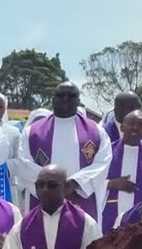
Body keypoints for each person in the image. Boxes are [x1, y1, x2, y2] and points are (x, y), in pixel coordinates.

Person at [14, 82, 110, 216]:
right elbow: (24, 163)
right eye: (60, 95)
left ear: (78, 100)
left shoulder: (97, 132)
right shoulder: (32, 132)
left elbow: (102, 163)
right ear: (53, 99)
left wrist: (75, 183)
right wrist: (51, 187)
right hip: (43, 199)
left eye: (71, 96)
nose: (65, 99)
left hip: (80, 199)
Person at [98, 110, 142, 232]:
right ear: (122, 126)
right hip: (108, 214)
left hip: (138, 219)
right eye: (131, 123)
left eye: (141, 125)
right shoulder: (106, 153)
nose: (135, 128)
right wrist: (111, 184)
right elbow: (91, 183)